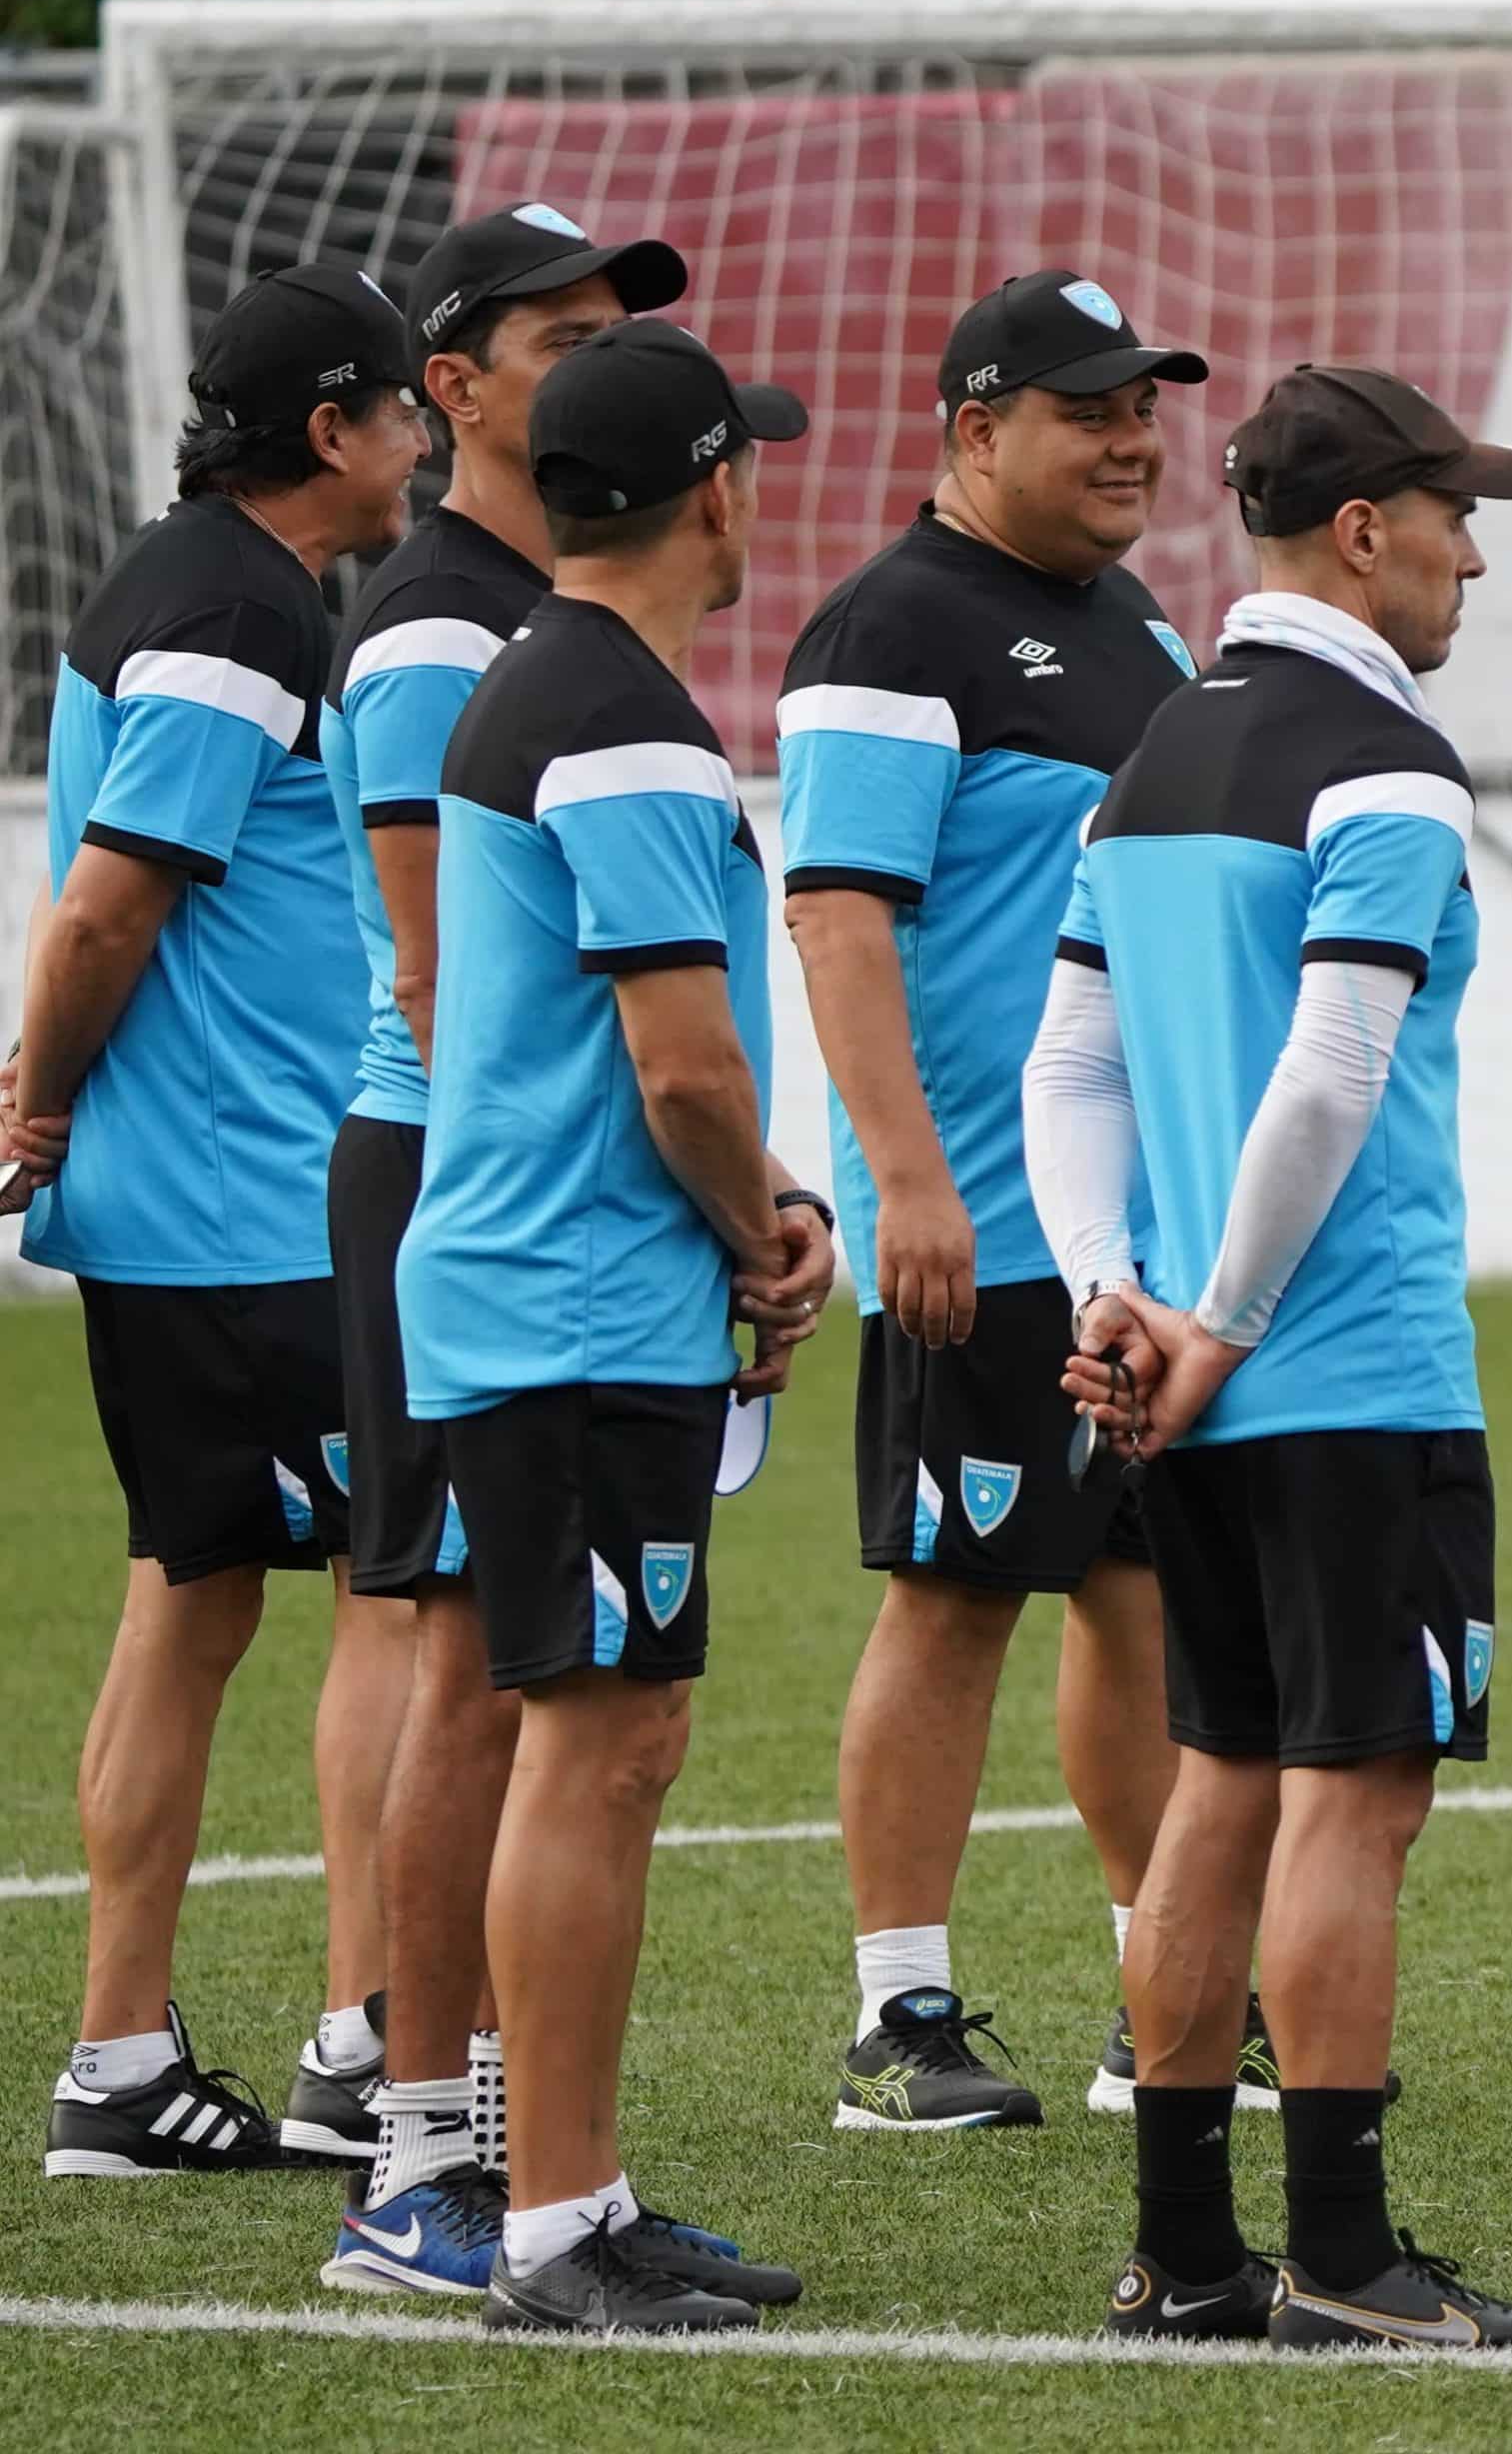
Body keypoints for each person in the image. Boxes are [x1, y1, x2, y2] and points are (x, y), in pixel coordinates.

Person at [1022, 363, 1512, 2349]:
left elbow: (1067, 1064)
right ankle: (1345, 2255)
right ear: (1364, 530)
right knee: (1358, 1796)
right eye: (1454, 511)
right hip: (1339, 1365)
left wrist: (1118, 1289)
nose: (1473, 545)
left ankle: (1184, 2254)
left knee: (1221, 1778)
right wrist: (1230, 1313)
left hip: (1181, 1373)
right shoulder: (1388, 764)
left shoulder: (1153, 756)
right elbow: (1333, 1071)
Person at [395, 317, 825, 2330]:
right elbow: (685, 1074)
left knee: (599, 1732)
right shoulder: (627, 719)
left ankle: (578, 2189)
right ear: (711, 488)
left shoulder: (530, 681)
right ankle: (554, 2219)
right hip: (579, 1300)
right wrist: (768, 1229)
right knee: (599, 1745)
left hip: (535, 1287)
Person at [779, 271, 1210, 2132]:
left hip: (1130, 1231)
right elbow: (840, 916)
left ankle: (1166, 1992)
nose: (1134, 442)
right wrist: (907, 1184)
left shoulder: (1142, 627)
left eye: (1145, 408)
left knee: (1138, 1590)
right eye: (1088, 411)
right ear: (975, 431)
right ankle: (903, 2015)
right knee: (955, 1596)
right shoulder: (889, 626)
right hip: (983, 1218)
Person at [18, 265, 428, 2179]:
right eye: (398, 412)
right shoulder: (233, 606)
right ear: (331, 432)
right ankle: (365, 2042)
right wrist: (32, 1095)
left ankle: (118, 2061)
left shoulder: (201, 580)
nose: (422, 442)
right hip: (247, 1203)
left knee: (188, 1610)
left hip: (205, 1198)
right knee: (388, 1594)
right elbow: (111, 903)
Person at [314, 203, 688, 2291]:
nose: (596, 366)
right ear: (452, 387)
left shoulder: (540, 609)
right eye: (560, 337)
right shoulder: (444, 629)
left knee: (486, 1658)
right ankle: (417, 2136)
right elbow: (450, 986)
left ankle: (435, 2123)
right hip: (466, 1177)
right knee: (466, 1660)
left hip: (504, 1187)